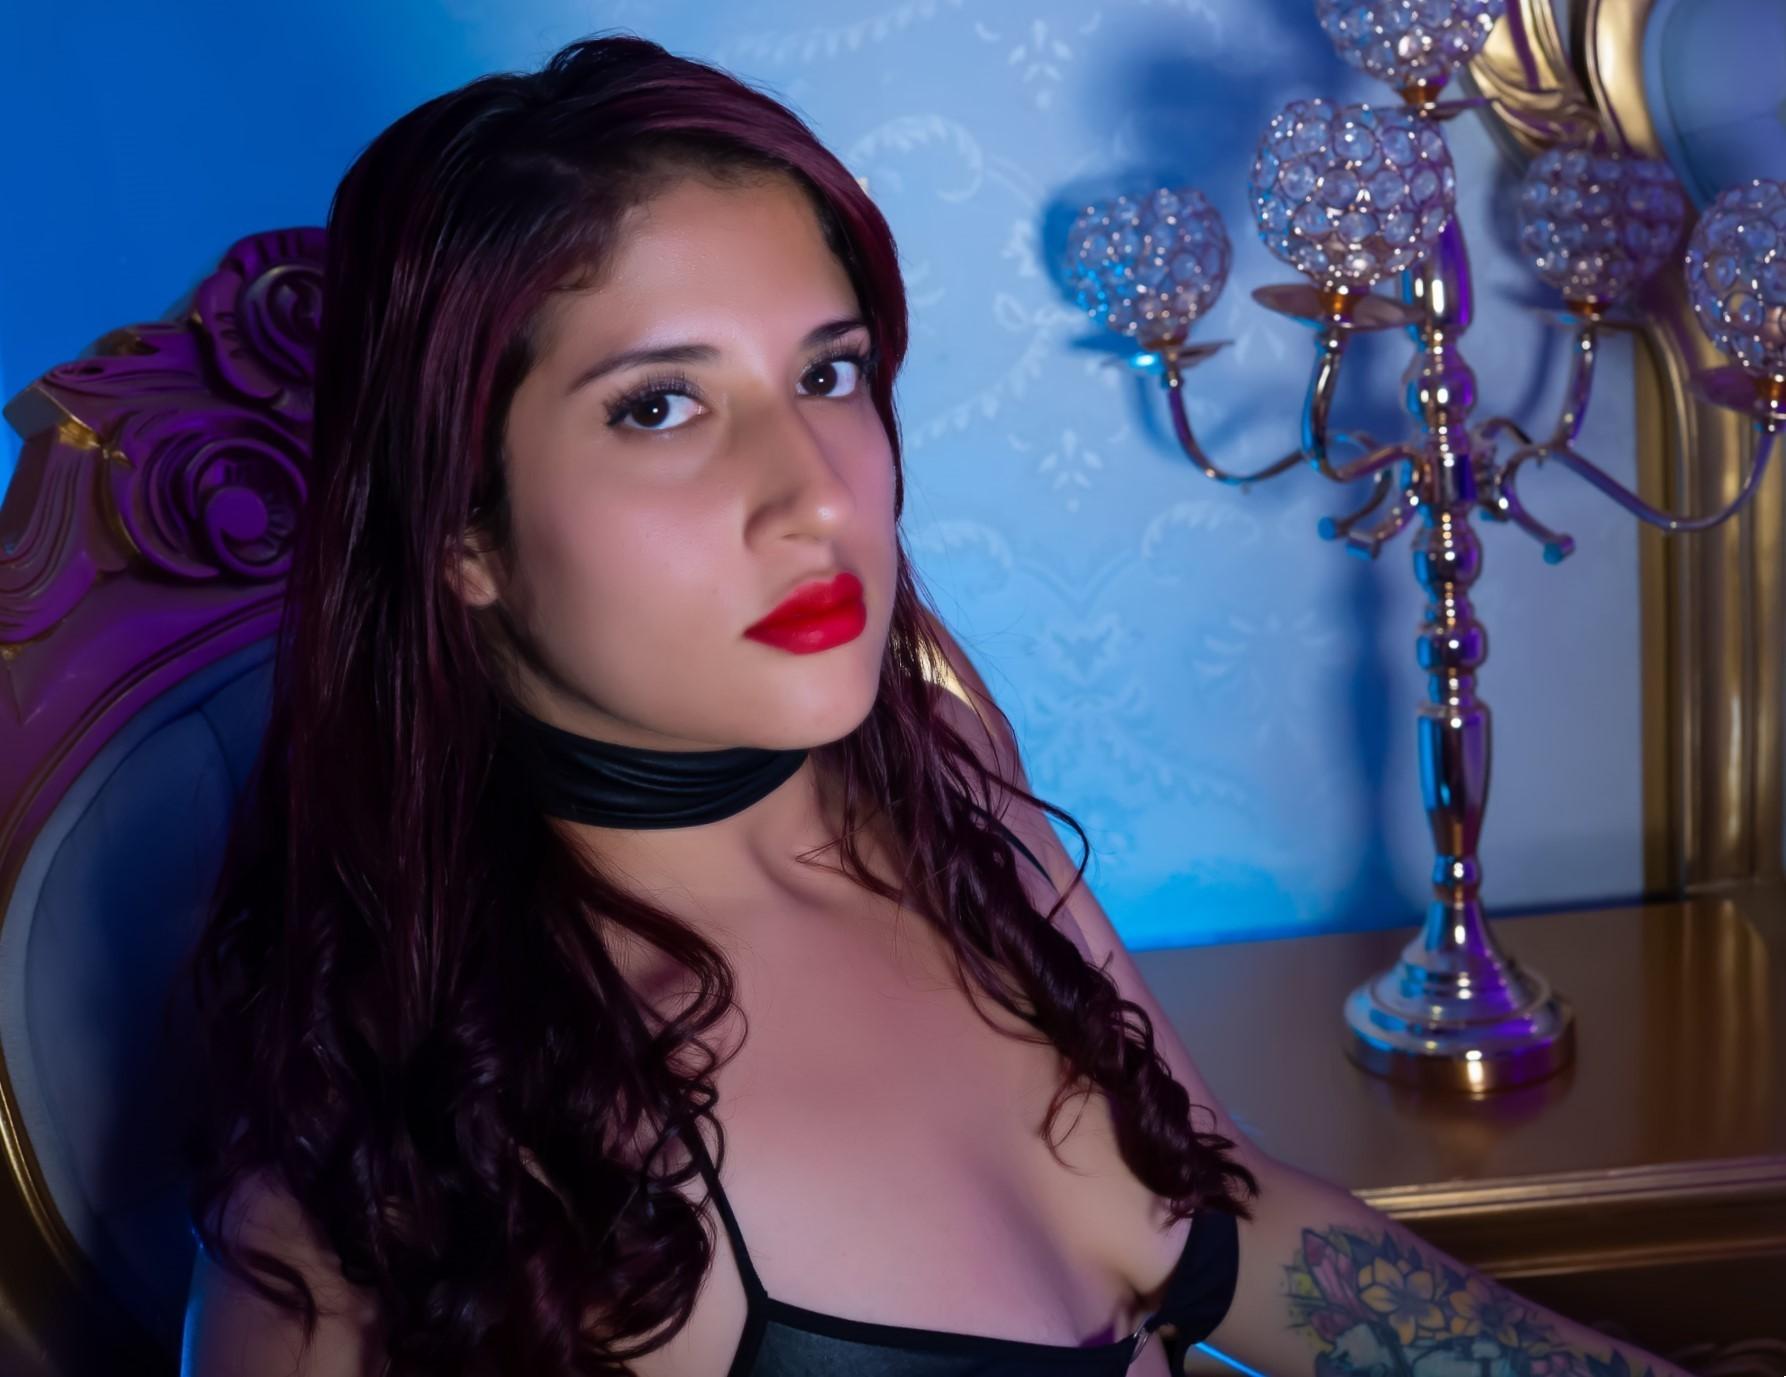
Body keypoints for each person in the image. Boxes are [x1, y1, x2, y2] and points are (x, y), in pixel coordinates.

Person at [177, 32, 1690, 1377]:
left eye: (828, 376)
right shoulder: (404, 1195)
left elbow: (1229, 1218)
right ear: (459, 533)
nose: (815, 499)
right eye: (661, 405)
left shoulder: (948, 796)